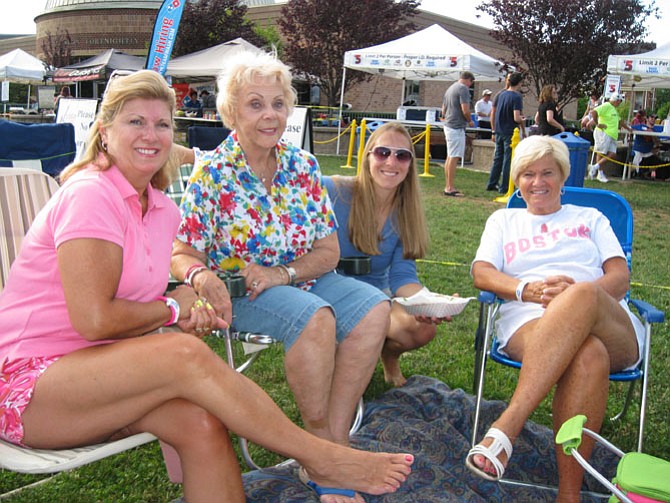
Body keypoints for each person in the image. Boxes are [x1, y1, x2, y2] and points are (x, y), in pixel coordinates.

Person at [0, 70, 414, 503]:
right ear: (104, 132)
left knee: (201, 422)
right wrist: (175, 307)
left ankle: (325, 452)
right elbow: (96, 319)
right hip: (29, 389)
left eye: (162, 124)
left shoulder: (158, 209)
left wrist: (186, 308)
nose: (152, 134)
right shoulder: (91, 194)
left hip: (101, 377)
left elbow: (149, 301)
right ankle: (323, 455)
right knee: (184, 355)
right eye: (135, 122)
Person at [170, 51, 399, 500]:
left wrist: (285, 272)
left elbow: (328, 251)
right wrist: (200, 278)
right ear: (232, 111)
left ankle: (333, 442)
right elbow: (181, 252)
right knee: (316, 318)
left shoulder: (303, 166)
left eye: (278, 103)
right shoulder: (212, 173)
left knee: (375, 307)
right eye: (255, 104)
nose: (270, 114)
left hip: (298, 277)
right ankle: (320, 453)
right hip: (239, 290)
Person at [467, 135, 644, 501]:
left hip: (609, 323)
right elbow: (482, 273)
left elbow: (619, 278)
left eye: (547, 172)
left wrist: (577, 294)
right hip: (529, 320)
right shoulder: (504, 220)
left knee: (580, 294)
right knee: (588, 354)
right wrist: (525, 290)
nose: (538, 182)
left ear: (563, 176)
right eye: (528, 174)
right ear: (517, 181)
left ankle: (507, 426)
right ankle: (569, 493)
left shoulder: (590, 218)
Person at [323, 122, 453, 387]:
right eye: (382, 152)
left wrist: (430, 302)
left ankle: (387, 356)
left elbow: (402, 277)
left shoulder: (407, 212)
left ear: (409, 165)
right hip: (326, 288)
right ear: (367, 156)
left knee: (422, 327)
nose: (391, 161)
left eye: (402, 155)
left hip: (378, 297)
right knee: (372, 315)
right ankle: (339, 364)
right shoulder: (333, 191)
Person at [486, 72, 526, 193]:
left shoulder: (501, 94)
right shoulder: (517, 96)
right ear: (519, 83)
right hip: (510, 131)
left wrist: (493, 130)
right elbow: (516, 117)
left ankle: (492, 183)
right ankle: (505, 187)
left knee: (498, 157)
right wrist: (523, 121)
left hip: (499, 130)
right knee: (508, 159)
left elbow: (493, 113)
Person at [441, 70, 475, 197]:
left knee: (450, 156)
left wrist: (446, 116)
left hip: (448, 124)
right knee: (454, 156)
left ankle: (448, 185)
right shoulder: (463, 89)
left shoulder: (450, 88)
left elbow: (443, 109)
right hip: (456, 126)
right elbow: (465, 109)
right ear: (468, 80)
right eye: (471, 83)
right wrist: (470, 121)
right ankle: (449, 187)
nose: (470, 86)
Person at [588, 93, 633, 183]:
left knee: (612, 153)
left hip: (612, 135)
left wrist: (628, 128)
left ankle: (595, 167)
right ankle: (599, 173)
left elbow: (619, 121)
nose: (620, 104)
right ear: (616, 100)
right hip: (604, 133)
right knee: (601, 153)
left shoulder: (614, 109)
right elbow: (593, 112)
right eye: (619, 102)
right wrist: (598, 124)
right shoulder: (606, 106)